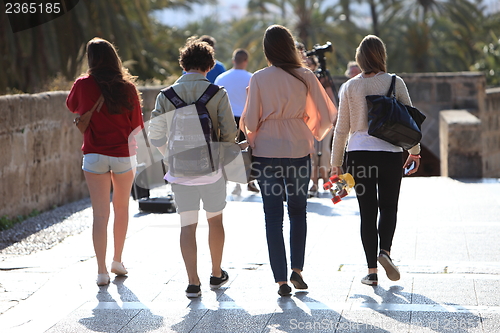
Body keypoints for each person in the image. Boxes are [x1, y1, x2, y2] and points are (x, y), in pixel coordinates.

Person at [240, 25, 337, 296]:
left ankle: (281, 280)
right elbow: (327, 114)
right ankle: (297, 270)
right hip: (298, 149)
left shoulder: (259, 78)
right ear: (291, 47)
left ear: (267, 50)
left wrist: (254, 133)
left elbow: (249, 121)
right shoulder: (305, 75)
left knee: (273, 216)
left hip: (266, 151)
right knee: (298, 211)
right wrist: (309, 130)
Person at [148, 37, 238, 298]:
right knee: (215, 220)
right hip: (211, 171)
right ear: (209, 66)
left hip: (180, 172)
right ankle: (217, 273)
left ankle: (192, 282)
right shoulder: (217, 93)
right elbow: (229, 135)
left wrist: (170, 156)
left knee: (187, 225)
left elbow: (154, 136)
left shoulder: (166, 95)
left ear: (183, 64)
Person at [330, 35, 421, 286]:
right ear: (381, 55)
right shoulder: (395, 82)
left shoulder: (349, 87)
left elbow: (341, 129)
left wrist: (336, 164)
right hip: (390, 153)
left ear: (360, 57)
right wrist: (414, 151)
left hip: (359, 155)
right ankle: (386, 253)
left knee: (367, 213)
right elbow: (409, 121)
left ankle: (371, 272)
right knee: (389, 207)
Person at [66, 38, 144, 286]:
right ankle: (117, 261)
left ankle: (101, 272)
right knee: (121, 208)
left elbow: (71, 106)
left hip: (94, 154)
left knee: (100, 215)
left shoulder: (82, 84)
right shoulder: (128, 88)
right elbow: (137, 127)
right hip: (123, 154)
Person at [214, 48, 259, 194]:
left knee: (227, 149)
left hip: (226, 117)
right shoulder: (251, 78)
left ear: (233, 60)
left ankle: (228, 181)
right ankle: (247, 181)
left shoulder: (221, 78)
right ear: (246, 61)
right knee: (246, 150)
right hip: (245, 118)